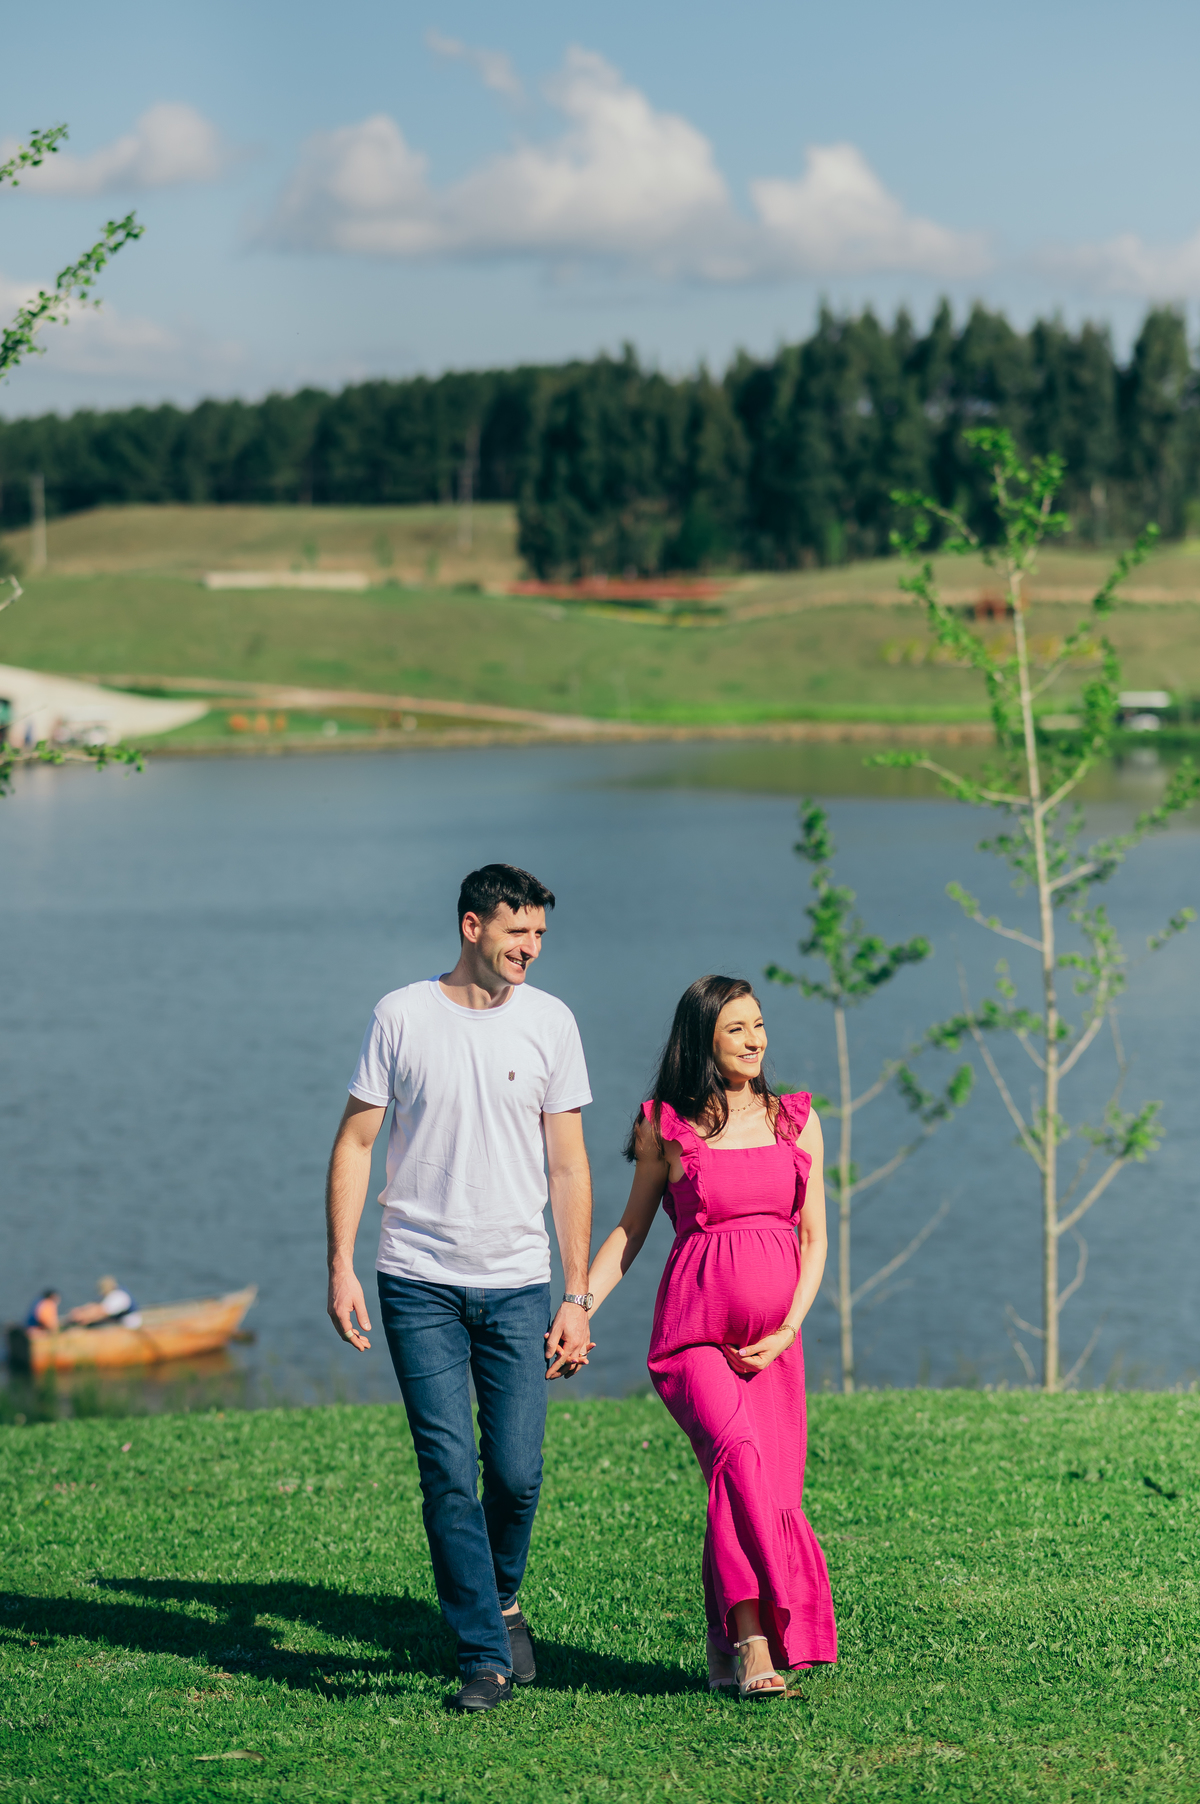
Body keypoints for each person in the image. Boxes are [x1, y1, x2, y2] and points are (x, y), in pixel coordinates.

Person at [325, 862, 595, 1714]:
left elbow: (568, 1162)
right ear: (471, 926)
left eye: (541, 935)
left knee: (514, 1473)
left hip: (519, 1281)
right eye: (518, 932)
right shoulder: (401, 1016)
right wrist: (340, 1263)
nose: (531, 949)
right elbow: (358, 1144)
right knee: (447, 1469)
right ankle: (484, 1653)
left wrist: (577, 1294)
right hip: (417, 1280)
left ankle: (503, 1594)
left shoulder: (551, 1023)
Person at [586, 975, 837, 1700]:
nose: (755, 1039)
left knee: (757, 1483)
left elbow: (815, 1239)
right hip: (693, 1334)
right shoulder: (665, 1126)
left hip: (774, 1343)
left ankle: (720, 1641)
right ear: (703, 1039)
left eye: (759, 1025)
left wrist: (788, 1327)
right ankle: (754, 1642)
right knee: (737, 1454)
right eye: (736, 1029)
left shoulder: (797, 1121)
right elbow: (630, 1232)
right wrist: (580, 1306)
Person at [66, 1276, 142, 1329]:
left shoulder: (118, 1297)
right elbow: (95, 1304)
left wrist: (84, 1317)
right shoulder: (110, 1293)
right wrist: (81, 1310)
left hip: (128, 1324)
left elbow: (101, 1311)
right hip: (116, 1319)